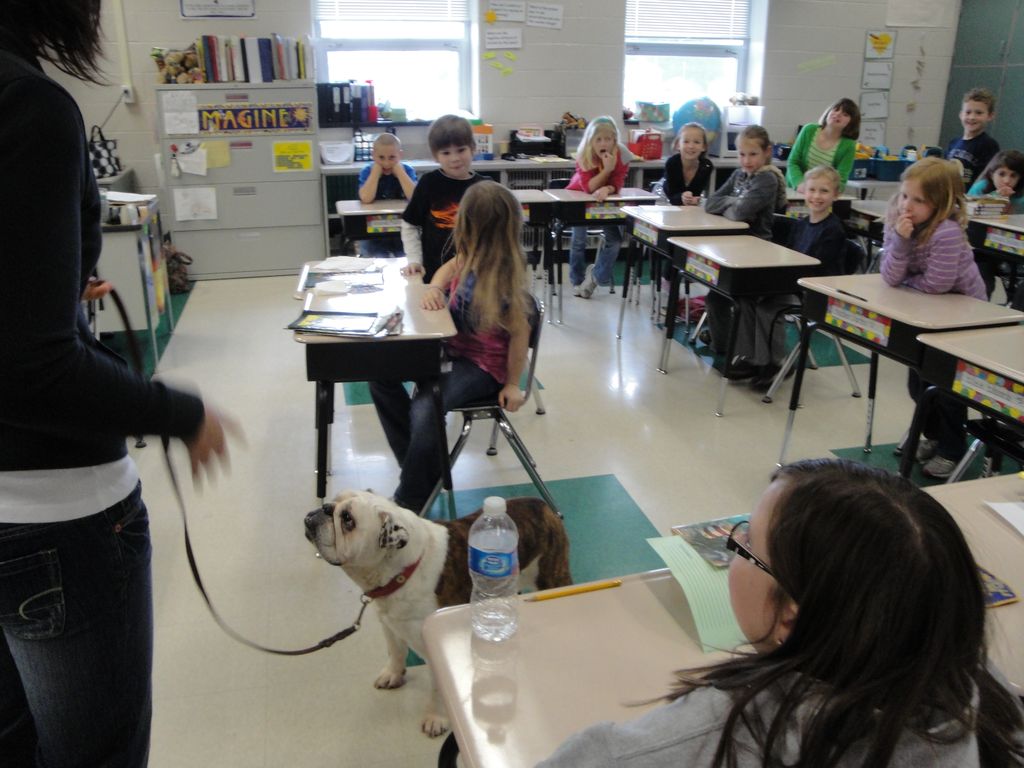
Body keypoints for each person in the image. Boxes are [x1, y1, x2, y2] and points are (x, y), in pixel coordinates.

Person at [0, 3, 235, 766]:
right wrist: (178, 411)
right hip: (46, 515)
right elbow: (31, 371)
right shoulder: (26, 103)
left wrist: (50, 292)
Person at [539, 458, 1024, 768]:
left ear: (791, 615)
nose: (735, 548)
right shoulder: (973, 690)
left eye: (746, 543)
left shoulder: (715, 733)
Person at [371, 182, 530, 513]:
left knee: (427, 407)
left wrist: (514, 383)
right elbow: (451, 266)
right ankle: (422, 473)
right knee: (379, 375)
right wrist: (436, 287)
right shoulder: (471, 253)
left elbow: (520, 334)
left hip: (483, 367)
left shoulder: (505, 276)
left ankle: (410, 499)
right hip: (450, 350)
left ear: (469, 226)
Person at [881, 157, 986, 479]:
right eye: (904, 196)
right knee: (919, 385)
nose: (907, 206)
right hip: (926, 317)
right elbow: (889, 276)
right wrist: (901, 241)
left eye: (919, 200)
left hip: (964, 319)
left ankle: (952, 449)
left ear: (940, 204)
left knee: (947, 390)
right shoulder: (898, 224)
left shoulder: (948, 232)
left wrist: (908, 282)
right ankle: (936, 437)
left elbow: (936, 285)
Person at [736, 164, 849, 392]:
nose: (816, 196)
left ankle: (774, 363)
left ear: (836, 195)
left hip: (814, 292)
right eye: (812, 190)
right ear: (804, 192)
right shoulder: (802, 225)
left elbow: (819, 271)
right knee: (746, 299)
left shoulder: (833, 230)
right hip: (791, 284)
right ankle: (753, 358)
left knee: (768, 309)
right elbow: (787, 256)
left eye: (824, 191)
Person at [702, 125, 788, 382]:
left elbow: (740, 213)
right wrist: (735, 203)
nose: (746, 161)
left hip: (759, 251)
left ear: (766, 152)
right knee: (715, 297)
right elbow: (711, 202)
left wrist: (733, 205)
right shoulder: (740, 175)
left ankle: (754, 357)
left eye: (752, 154)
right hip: (736, 247)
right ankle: (730, 350)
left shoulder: (767, 178)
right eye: (741, 154)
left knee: (741, 300)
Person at [400, 114, 485, 283]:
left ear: (473, 148)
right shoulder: (429, 183)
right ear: (435, 155)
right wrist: (414, 260)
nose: (454, 158)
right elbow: (410, 224)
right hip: (433, 276)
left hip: (475, 279)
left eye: (461, 150)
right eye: (446, 153)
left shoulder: (484, 187)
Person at [566, 116, 630, 299]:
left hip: (605, 202)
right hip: (580, 200)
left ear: (614, 141)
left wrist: (608, 187)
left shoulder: (622, 155)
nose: (604, 143)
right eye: (599, 139)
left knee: (615, 241)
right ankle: (577, 281)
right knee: (579, 240)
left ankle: (595, 277)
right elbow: (589, 187)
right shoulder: (583, 155)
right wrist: (606, 171)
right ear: (591, 141)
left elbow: (618, 184)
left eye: (608, 139)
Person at [356, 133, 417, 258]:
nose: (387, 163)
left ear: (400, 155)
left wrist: (400, 173)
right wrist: (375, 173)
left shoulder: (407, 170)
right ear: (373, 155)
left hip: (402, 229)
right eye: (381, 157)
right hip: (373, 231)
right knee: (374, 259)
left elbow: (415, 197)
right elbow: (366, 198)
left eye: (392, 157)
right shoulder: (367, 171)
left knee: (406, 259)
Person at [785, 97, 860, 192]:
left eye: (845, 114)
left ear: (851, 123)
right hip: (796, 190)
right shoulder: (808, 130)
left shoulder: (849, 146)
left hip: (823, 195)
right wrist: (800, 184)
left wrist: (822, 192)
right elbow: (793, 162)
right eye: (836, 110)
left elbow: (841, 180)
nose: (838, 114)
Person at [946, 87, 1000, 187]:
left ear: (990, 116)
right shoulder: (953, 143)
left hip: (971, 200)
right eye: (968, 112)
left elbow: (987, 178)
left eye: (979, 113)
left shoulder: (989, 145)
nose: (972, 117)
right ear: (961, 114)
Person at [662, 122, 714, 206]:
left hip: (688, 206)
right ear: (678, 145)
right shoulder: (672, 163)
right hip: (664, 201)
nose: (691, 146)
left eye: (696, 142)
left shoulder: (706, 166)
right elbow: (671, 195)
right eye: (686, 142)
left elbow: (696, 193)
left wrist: (693, 199)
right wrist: (682, 197)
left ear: (704, 146)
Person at [968, 148, 1024, 213]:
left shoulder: (1020, 197)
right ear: (992, 175)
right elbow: (967, 211)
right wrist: (994, 198)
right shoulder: (979, 188)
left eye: (1013, 176)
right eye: (1001, 174)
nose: (1007, 181)